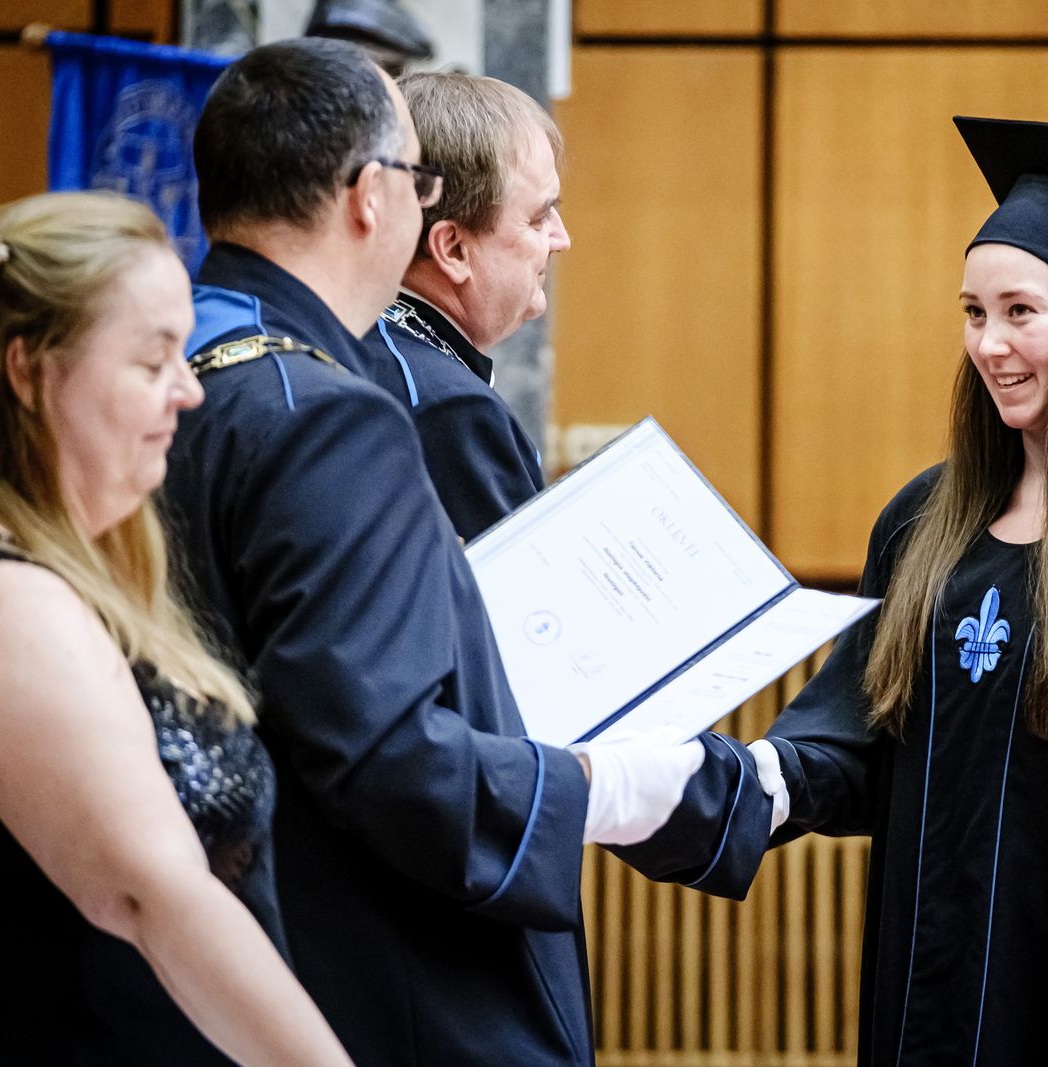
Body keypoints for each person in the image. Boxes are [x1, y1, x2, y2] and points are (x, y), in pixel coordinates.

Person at [620, 117, 1048, 1066]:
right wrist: (709, 781)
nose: (990, 344)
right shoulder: (924, 524)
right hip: (931, 1010)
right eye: (972, 312)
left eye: (1019, 312)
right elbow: (856, 741)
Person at [161, 38, 706, 1066]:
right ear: (371, 196)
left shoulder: (176, 370)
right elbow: (389, 754)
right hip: (383, 966)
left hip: (231, 944)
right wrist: (607, 788)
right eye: (416, 180)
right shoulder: (331, 416)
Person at [0, 191, 351, 1065]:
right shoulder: (6, 600)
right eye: (152, 361)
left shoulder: (85, 569)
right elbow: (153, 896)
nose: (190, 389)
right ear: (29, 370)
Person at [366, 71, 569, 540]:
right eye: (539, 218)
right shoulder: (451, 410)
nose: (562, 239)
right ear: (453, 249)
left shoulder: (354, 333)